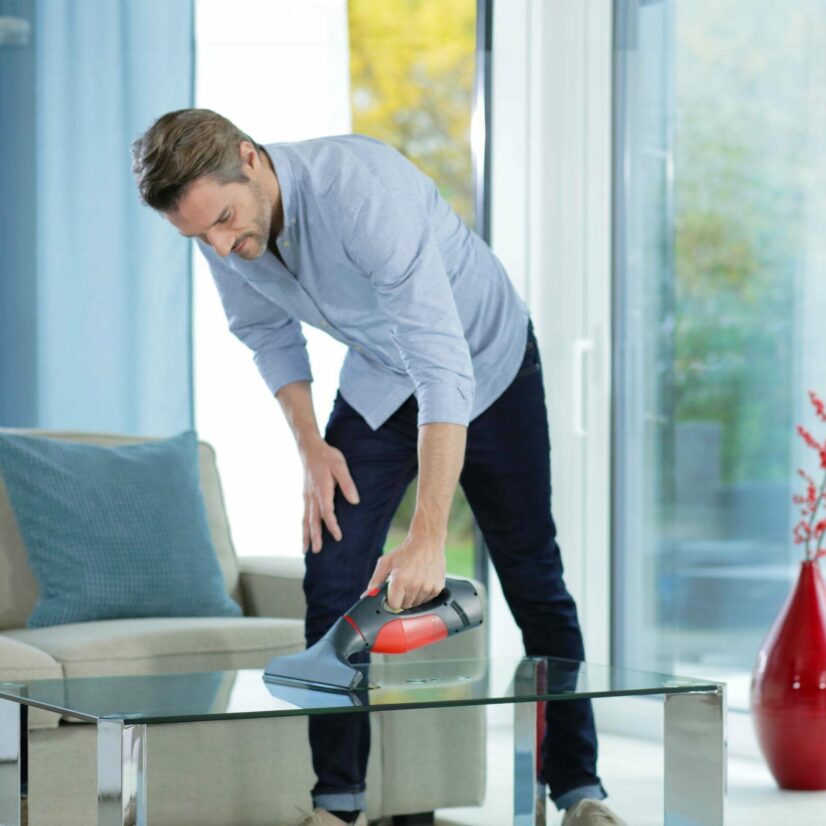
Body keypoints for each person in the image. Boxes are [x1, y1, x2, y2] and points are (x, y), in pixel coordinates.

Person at [131, 108, 625, 826]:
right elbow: (265, 331)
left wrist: (427, 535)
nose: (222, 246)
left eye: (225, 221)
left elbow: (442, 365)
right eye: (200, 234)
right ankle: (339, 801)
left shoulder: (362, 194)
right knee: (331, 571)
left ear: (251, 158)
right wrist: (311, 447)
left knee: (532, 575)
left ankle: (579, 789)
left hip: (486, 363)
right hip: (381, 380)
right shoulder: (219, 223)